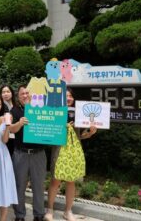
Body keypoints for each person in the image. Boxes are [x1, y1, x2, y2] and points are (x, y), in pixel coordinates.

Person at [44, 88, 97, 221]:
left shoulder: (79, 113)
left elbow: (81, 135)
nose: (68, 98)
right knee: (55, 180)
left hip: (74, 150)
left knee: (71, 180)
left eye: (70, 96)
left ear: (73, 99)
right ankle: (49, 210)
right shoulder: (54, 112)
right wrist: (62, 127)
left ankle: (68, 211)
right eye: (65, 96)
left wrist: (90, 132)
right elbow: (47, 132)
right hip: (59, 149)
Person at [9, 85, 46, 221]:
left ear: (31, 95)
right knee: (19, 186)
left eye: (27, 93)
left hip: (39, 154)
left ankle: (39, 215)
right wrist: (19, 123)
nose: (25, 95)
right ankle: (19, 215)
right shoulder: (15, 110)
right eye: (22, 94)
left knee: (39, 186)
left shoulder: (41, 109)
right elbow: (11, 129)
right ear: (18, 97)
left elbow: (52, 125)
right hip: (21, 154)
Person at [0, 85, 16, 156]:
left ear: (12, 93)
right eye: (3, 92)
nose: (5, 94)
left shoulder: (17, 106)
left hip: (16, 138)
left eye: (8, 91)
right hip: (4, 137)